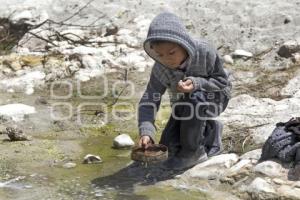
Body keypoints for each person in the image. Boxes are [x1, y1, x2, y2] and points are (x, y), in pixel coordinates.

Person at [137, 12, 231, 170]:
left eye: (172, 52)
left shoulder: (204, 51)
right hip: (183, 105)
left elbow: (222, 81)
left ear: (183, 44)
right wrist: (146, 132)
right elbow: (149, 101)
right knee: (168, 148)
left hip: (214, 98)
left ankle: (194, 152)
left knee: (195, 99)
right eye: (160, 55)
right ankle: (211, 129)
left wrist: (196, 83)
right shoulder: (160, 68)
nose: (167, 59)